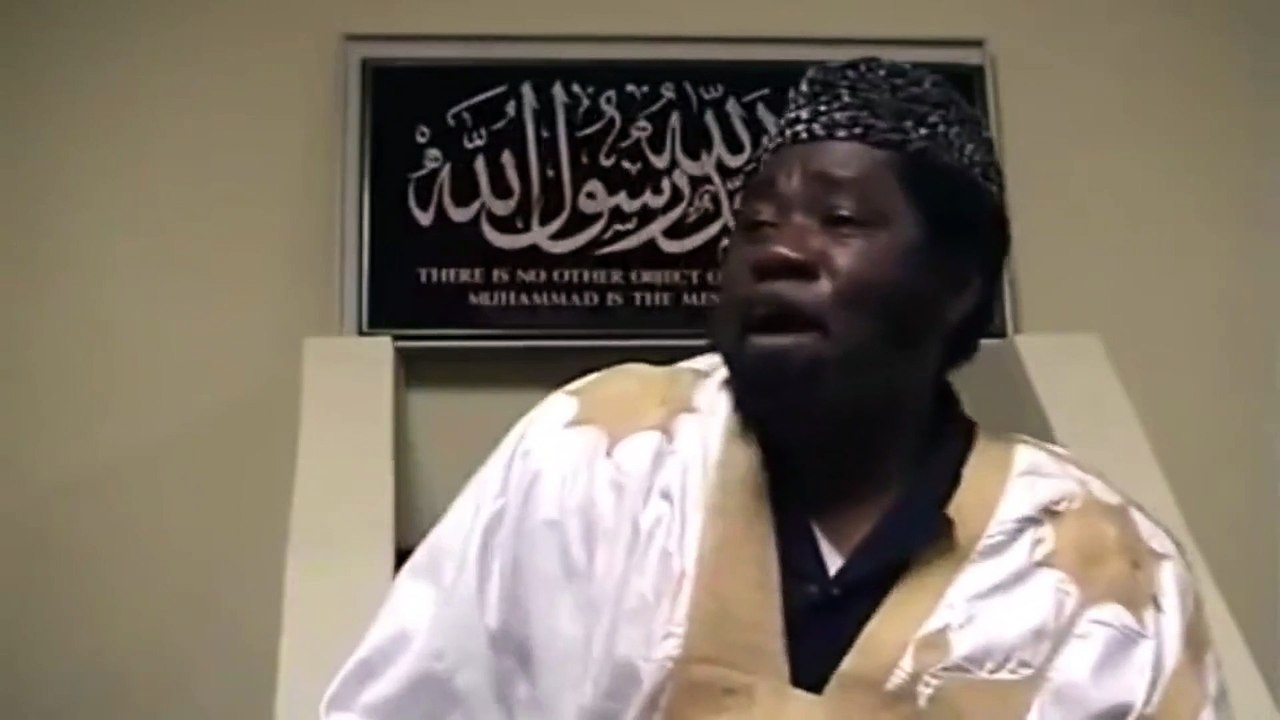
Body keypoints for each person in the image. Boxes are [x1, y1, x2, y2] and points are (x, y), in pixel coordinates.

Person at [320, 57, 1230, 719]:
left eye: (840, 219)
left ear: (956, 283)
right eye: (756, 222)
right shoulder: (594, 457)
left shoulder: (1100, 572)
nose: (780, 250)